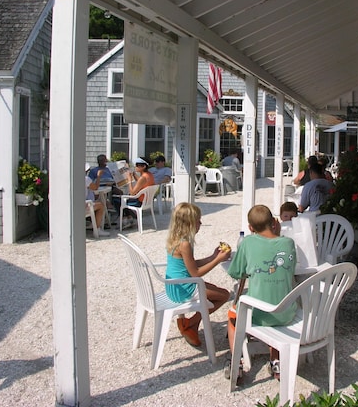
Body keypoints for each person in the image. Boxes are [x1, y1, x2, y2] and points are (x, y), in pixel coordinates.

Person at [227, 205, 297, 379]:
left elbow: (236, 272)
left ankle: (238, 361)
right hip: (286, 313)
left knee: (232, 315)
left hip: (259, 314)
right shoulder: (288, 243)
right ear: (274, 222)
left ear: (251, 228)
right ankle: (276, 361)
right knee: (275, 296)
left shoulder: (248, 243)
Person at [165, 203, 231, 347]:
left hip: (174, 287)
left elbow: (190, 264)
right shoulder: (185, 244)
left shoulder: (175, 238)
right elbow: (195, 272)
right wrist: (218, 260)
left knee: (214, 291)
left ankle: (190, 325)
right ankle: (191, 323)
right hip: (184, 289)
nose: (201, 223)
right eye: (198, 220)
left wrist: (212, 256)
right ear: (189, 223)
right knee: (224, 295)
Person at [112, 157, 155, 229]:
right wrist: (134, 175)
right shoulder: (149, 175)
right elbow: (142, 182)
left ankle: (126, 219)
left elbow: (132, 193)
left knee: (116, 200)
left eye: (137, 165)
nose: (135, 167)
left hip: (139, 201)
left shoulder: (143, 178)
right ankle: (130, 217)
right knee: (122, 199)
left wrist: (129, 181)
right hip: (146, 200)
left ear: (143, 166)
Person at [85, 163, 109, 237]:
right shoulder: (86, 179)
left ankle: (92, 223)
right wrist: (98, 176)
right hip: (83, 206)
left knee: (95, 201)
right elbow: (95, 187)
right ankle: (97, 229)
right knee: (101, 205)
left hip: (72, 206)